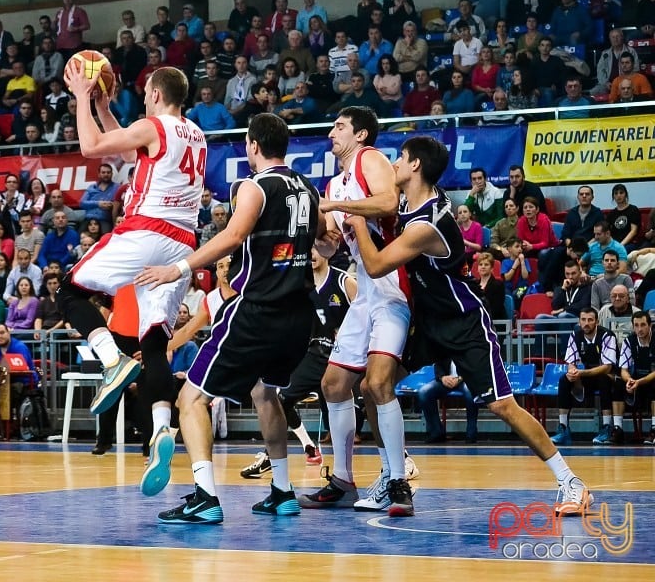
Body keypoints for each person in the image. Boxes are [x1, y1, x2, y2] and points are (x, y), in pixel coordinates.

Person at [345, 135, 592, 516]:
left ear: (415, 166)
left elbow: (377, 265)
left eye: (400, 158)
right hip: (427, 321)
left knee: (502, 406)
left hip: (463, 322)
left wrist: (355, 219)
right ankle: (392, 475)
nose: (393, 164)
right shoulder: (409, 201)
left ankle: (570, 481)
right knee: (372, 385)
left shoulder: (429, 222)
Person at [135, 113, 323, 524]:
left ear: (253, 145)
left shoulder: (255, 186)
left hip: (258, 308)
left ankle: (204, 496)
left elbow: (233, 236)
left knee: (191, 398)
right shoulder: (308, 189)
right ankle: (283, 491)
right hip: (298, 314)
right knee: (265, 394)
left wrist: (179, 269)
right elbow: (325, 238)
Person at [60, 62, 206, 496]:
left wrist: (83, 97)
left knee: (69, 291)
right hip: (183, 244)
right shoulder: (194, 133)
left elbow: (90, 147)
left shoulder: (153, 124)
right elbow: (128, 152)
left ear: (157, 95)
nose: (143, 99)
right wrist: (105, 109)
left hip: (147, 231)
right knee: (155, 342)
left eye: (146, 94)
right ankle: (162, 429)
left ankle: (111, 360)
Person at [298, 106, 413, 517]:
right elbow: (331, 247)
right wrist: (315, 225)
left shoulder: (370, 159)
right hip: (365, 290)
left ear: (361, 135)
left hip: (393, 288)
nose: (331, 132)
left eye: (339, 126)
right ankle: (344, 480)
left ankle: (398, 482)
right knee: (332, 384)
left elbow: (389, 202)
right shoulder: (335, 182)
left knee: (378, 385)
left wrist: (333, 204)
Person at [239, 248, 357, 477]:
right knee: (277, 398)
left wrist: (347, 333)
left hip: (339, 357)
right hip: (310, 355)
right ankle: (269, 457)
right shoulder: (297, 285)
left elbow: (366, 315)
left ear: (329, 251)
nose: (312, 253)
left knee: (342, 416)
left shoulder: (345, 282)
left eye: (317, 248)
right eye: (308, 247)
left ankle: (394, 460)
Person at [550, 306, 620, 445]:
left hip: (611, 377)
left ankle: (606, 427)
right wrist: (572, 372)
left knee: (603, 379)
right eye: (583, 320)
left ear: (597, 322)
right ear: (579, 321)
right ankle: (563, 428)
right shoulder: (575, 335)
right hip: (587, 375)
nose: (586, 323)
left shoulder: (607, 336)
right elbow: (570, 361)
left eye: (590, 320)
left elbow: (607, 367)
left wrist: (581, 373)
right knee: (564, 379)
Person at [620, 312, 655, 445]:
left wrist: (639, 382)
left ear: (650, 326)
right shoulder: (629, 341)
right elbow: (623, 369)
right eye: (636, 325)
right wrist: (629, 380)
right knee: (618, 384)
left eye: (643, 325)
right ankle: (617, 428)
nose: (639, 329)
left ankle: (654, 429)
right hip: (637, 379)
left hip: (650, 378)